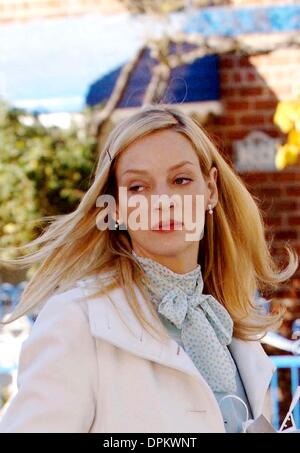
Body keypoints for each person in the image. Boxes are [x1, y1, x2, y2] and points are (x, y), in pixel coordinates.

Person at [0, 105, 298, 433]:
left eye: (181, 180)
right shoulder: (77, 320)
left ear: (210, 189)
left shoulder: (227, 319)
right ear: (115, 206)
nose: (163, 200)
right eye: (138, 187)